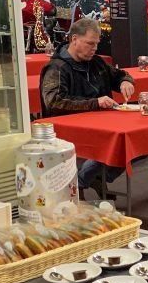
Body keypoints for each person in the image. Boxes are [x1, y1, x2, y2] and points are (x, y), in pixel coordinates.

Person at [40, 17, 136, 198]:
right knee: (122, 144)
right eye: (90, 44)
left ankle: (88, 177)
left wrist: (125, 81)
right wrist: (95, 102)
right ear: (74, 39)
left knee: (137, 142)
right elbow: (53, 102)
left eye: (96, 44)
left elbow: (120, 75)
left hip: (102, 124)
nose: (94, 48)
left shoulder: (97, 63)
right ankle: (87, 177)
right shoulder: (56, 68)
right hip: (69, 129)